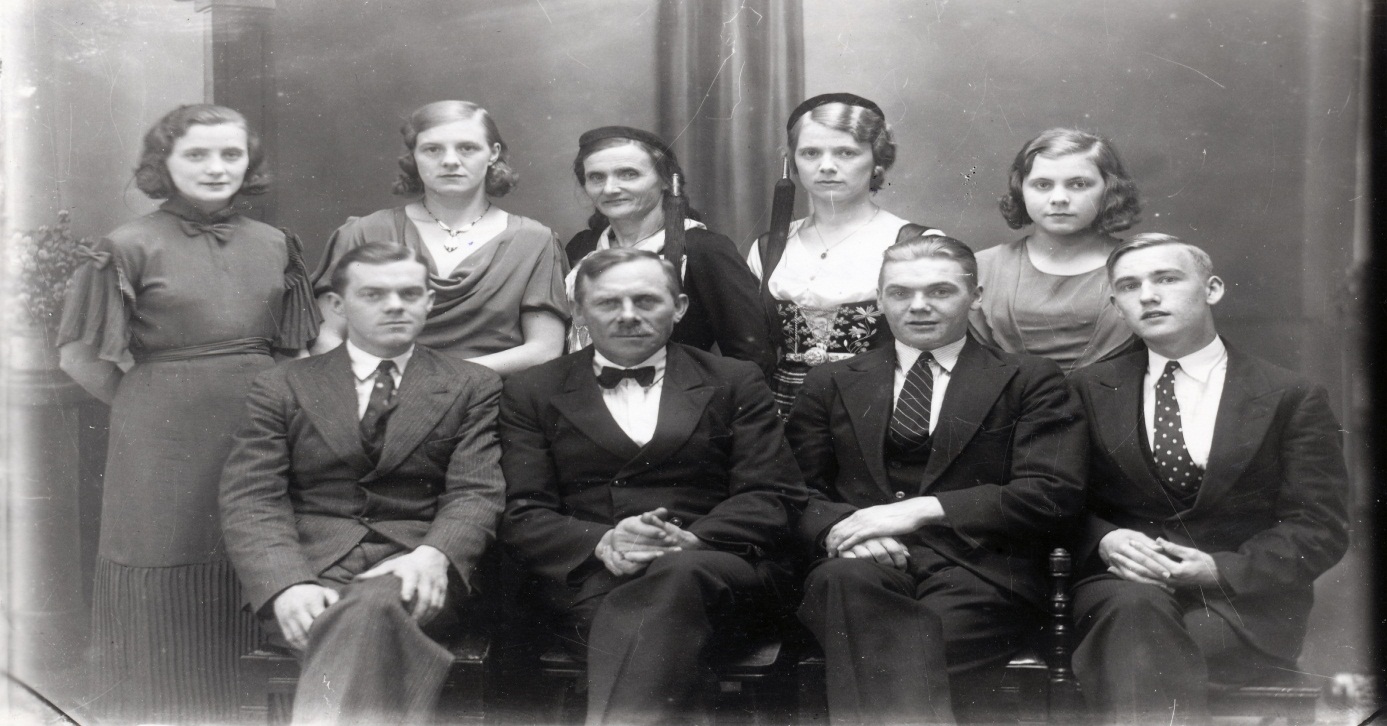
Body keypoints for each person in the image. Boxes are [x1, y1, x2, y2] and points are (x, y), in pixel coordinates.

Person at [55, 103, 319, 723]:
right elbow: (78, 358)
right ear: (163, 162)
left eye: (230, 154)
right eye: (196, 154)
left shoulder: (275, 244)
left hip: (261, 427)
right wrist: (149, 405)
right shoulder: (127, 245)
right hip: (160, 442)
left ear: (249, 162)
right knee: (166, 566)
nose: (215, 167)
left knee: (255, 549)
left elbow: (296, 349)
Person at [785, 233, 1087, 724]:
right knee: (843, 583)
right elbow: (796, 490)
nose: (919, 306)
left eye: (940, 291)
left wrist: (922, 509)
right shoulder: (832, 382)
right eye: (900, 293)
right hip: (861, 567)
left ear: (976, 296)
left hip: (979, 573)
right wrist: (841, 528)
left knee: (894, 651)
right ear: (879, 301)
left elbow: (1052, 494)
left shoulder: (1030, 379)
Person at [500, 248, 808, 724]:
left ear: (679, 307)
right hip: (594, 579)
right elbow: (524, 511)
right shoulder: (533, 389)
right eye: (608, 302)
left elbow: (773, 494)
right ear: (578, 312)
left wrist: (692, 541)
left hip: (718, 573)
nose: (628, 315)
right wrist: (604, 541)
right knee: (650, 624)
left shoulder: (733, 380)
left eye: (646, 300)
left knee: (676, 578)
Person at [1066, 233, 1349, 725]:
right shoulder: (1086, 389)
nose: (1148, 296)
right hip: (1120, 590)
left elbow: (1320, 527)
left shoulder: (1290, 395)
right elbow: (1056, 499)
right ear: (1116, 306)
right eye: (1129, 286)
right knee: (1134, 621)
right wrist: (1106, 540)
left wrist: (1218, 570)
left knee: (1142, 652)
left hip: (1239, 603)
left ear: (1212, 289)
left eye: (1167, 279)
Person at [221, 242, 504, 724]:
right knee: (365, 614)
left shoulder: (471, 384)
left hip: (419, 569)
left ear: (429, 302)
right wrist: (286, 584)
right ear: (338, 304)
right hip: (309, 574)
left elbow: (475, 491)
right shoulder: (283, 385)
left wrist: (435, 555)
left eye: (409, 293)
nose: (395, 305)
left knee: (371, 607)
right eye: (373, 294)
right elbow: (252, 497)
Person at [310, 100, 568, 375]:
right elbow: (325, 337)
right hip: (378, 388)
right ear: (414, 155)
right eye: (432, 149)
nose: (450, 161)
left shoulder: (534, 241)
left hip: (492, 393)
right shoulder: (364, 233)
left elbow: (544, 349)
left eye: (467, 148)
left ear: (493, 153)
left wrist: (438, 379)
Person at [748, 92, 943, 415]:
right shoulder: (770, 247)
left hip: (879, 412)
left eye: (846, 152)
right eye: (810, 153)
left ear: (877, 160)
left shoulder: (916, 243)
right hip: (784, 415)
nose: (826, 166)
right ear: (792, 161)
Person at [565, 125, 774, 375]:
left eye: (628, 174)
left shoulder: (704, 250)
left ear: (666, 180)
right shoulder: (583, 246)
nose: (609, 189)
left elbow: (752, 357)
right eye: (597, 177)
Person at [971, 128, 1142, 373]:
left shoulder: (1141, 265)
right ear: (1021, 190)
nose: (1059, 198)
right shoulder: (983, 267)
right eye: (1042, 185)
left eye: (1079, 184)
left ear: (1109, 190)